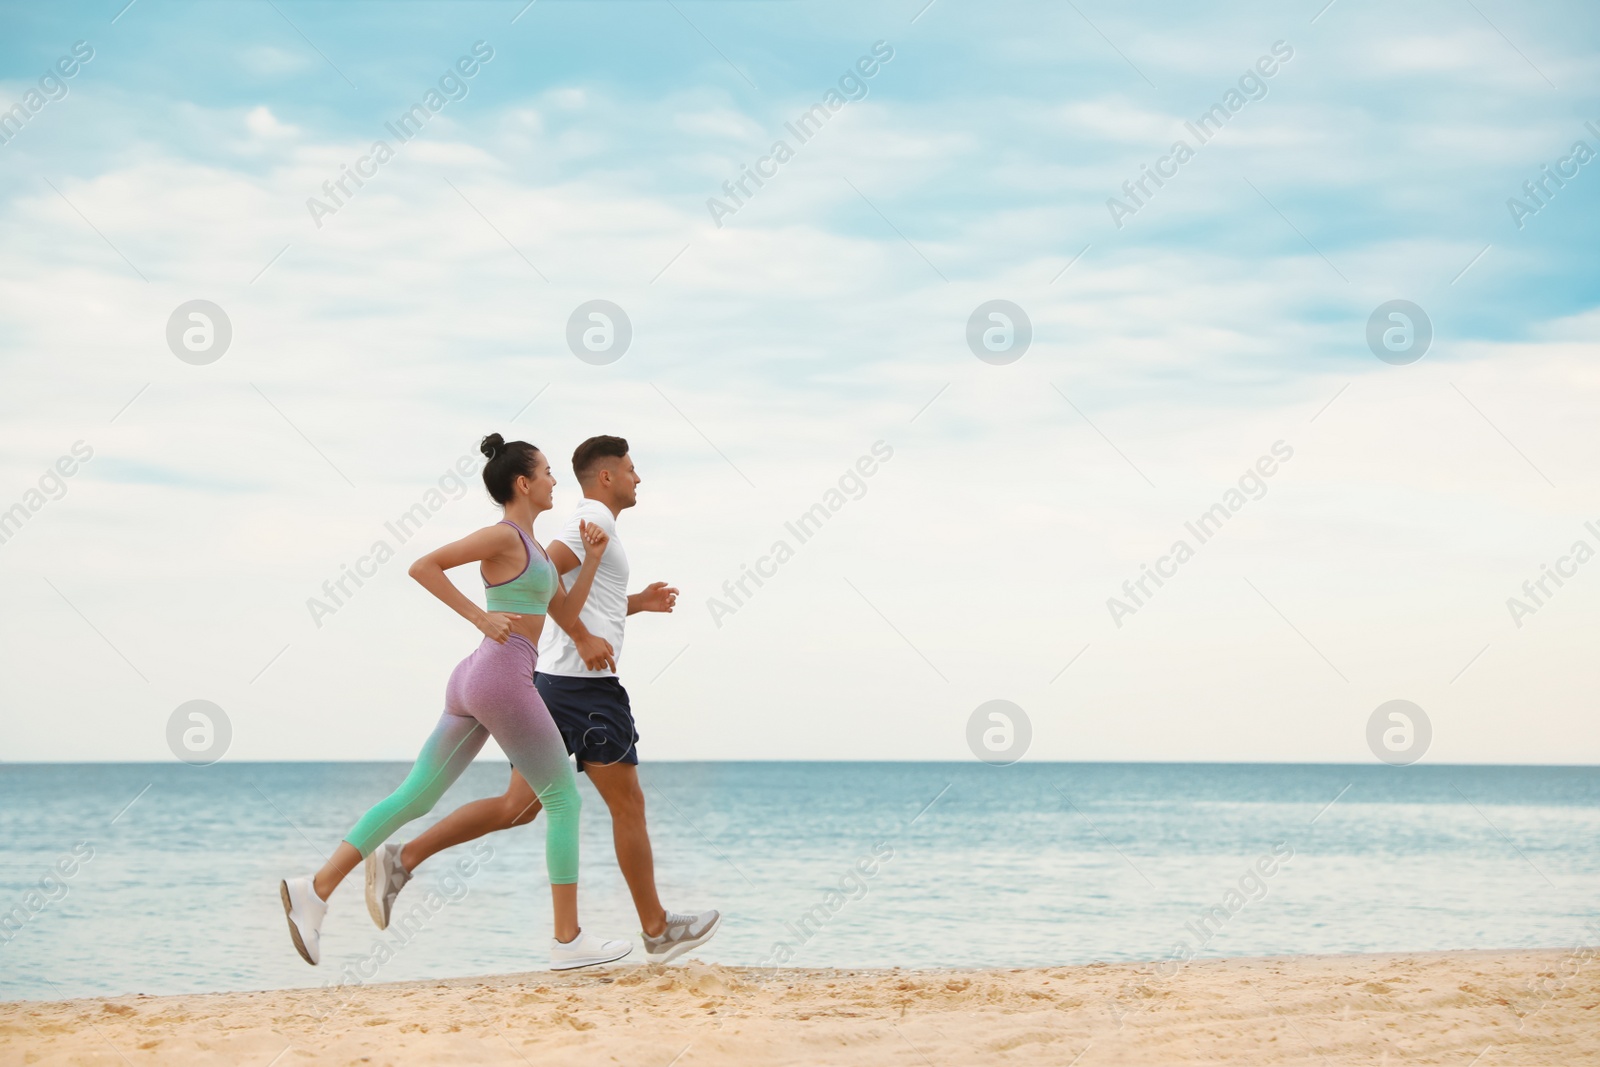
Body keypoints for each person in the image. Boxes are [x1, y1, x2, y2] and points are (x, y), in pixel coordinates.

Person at [279, 433, 633, 972]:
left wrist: (592, 562)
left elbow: (565, 615)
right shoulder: (503, 536)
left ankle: (317, 889)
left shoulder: (536, 550)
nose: (554, 480)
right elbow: (424, 565)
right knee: (563, 800)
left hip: (474, 680)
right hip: (501, 677)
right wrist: (479, 616)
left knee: (416, 796)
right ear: (524, 483)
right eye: (547, 473)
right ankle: (568, 941)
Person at [362, 435, 720, 964]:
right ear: (606, 477)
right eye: (631, 469)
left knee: (519, 807)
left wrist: (634, 605)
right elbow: (541, 576)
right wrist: (580, 638)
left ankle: (402, 858)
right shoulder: (586, 524)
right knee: (628, 805)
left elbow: (555, 590)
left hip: (556, 683)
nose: (638, 478)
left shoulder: (597, 528)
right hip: (585, 689)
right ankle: (654, 928)